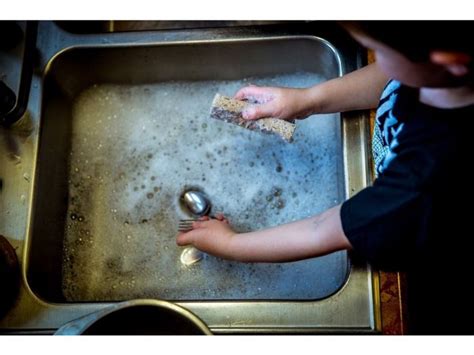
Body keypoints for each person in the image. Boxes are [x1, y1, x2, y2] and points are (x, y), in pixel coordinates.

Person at [177, 21, 474, 334]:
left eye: (380, 52)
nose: (376, 60)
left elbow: (325, 230)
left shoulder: (425, 184)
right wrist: (308, 100)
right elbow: (392, 78)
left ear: (450, 60)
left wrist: (232, 245)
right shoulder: (442, 77)